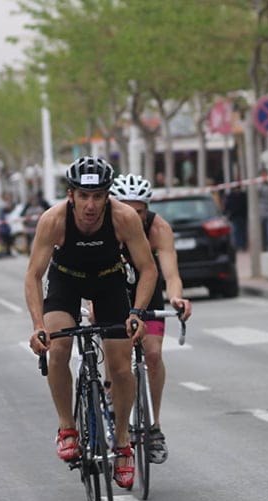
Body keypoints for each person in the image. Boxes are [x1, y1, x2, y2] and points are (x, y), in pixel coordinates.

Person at [25, 156, 159, 490]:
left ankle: (124, 442)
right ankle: (67, 427)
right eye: (83, 196)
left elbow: (148, 269)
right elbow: (34, 275)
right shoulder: (53, 220)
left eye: (98, 196)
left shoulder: (124, 218)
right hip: (66, 281)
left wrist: (137, 314)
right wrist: (38, 324)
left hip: (108, 282)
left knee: (121, 366)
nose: (90, 205)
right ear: (71, 195)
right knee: (58, 348)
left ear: (106, 195)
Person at [111, 173, 193, 464]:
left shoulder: (159, 228)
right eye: (128, 210)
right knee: (116, 359)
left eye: (140, 212)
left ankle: (154, 427)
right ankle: (112, 395)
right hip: (113, 291)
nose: (134, 217)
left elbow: (171, 273)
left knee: (154, 354)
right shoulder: (106, 226)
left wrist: (176, 298)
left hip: (149, 289)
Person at [223, 186, 248, 251]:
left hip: (242, 216)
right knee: (236, 231)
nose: (237, 190)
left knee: (242, 231)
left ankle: (243, 245)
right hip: (235, 216)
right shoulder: (231, 196)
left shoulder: (243, 195)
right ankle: (238, 245)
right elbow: (227, 206)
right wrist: (226, 213)